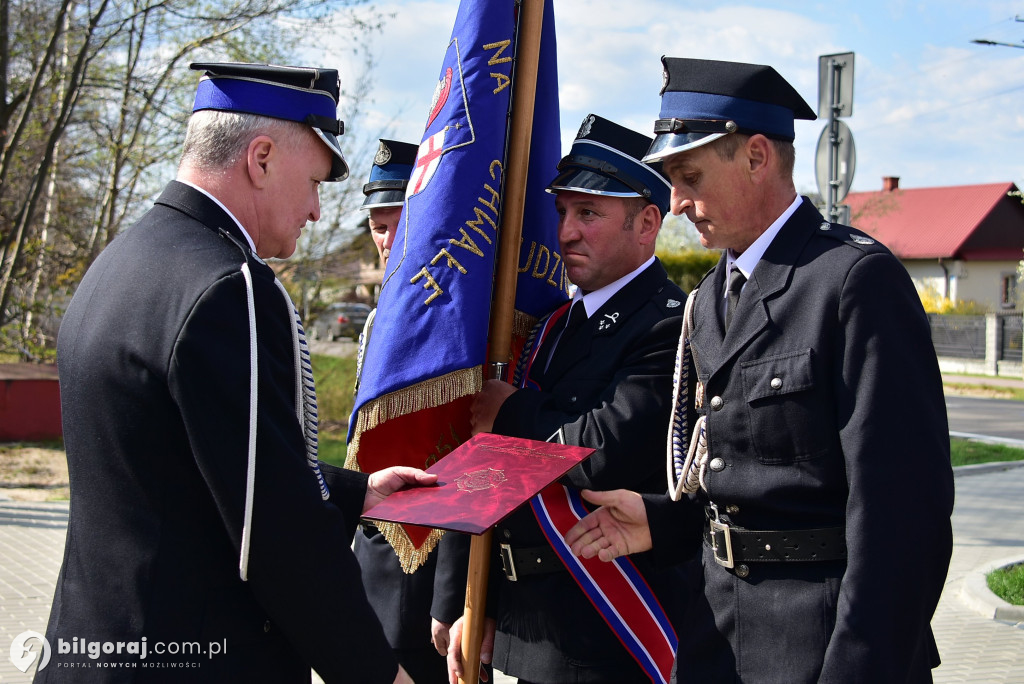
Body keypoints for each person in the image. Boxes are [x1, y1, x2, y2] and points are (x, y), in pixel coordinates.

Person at [40, 63, 437, 684]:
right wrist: (374, 672)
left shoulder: (122, 260)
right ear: (260, 158)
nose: (313, 211)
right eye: (313, 182)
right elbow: (275, 533)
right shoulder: (231, 287)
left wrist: (356, 493)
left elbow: (189, 465)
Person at [566, 57, 955, 683]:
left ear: (755, 156)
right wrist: (662, 521)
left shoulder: (851, 281)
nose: (676, 203)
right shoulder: (713, 297)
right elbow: (751, 482)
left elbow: (903, 518)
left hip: (824, 646)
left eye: (688, 175)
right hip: (720, 636)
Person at [447, 114, 693, 684]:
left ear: (648, 222)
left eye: (588, 213)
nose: (565, 233)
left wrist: (508, 411)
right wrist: (473, 600)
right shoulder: (554, 324)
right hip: (526, 620)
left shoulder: (667, 323)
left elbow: (600, 449)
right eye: (561, 213)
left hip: (607, 624)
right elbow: (490, 473)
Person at [352, 139, 468, 684]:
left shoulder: (456, 321)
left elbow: (469, 462)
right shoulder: (379, 319)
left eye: (399, 221)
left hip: (429, 571)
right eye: (377, 224)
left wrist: (453, 593)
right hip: (369, 551)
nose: (386, 239)